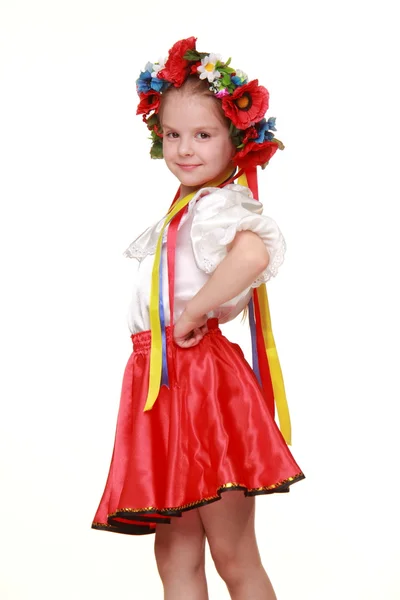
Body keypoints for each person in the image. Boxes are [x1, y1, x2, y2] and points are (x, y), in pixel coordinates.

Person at [92, 36, 305, 600]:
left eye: (203, 135)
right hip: (159, 380)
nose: (185, 149)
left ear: (236, 139)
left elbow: (254, 254)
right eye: (173, 135)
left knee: (232, 552)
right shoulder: (186, 208)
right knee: (175, 553)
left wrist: (197, 308)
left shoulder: (217, 204)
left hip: (199, 381)